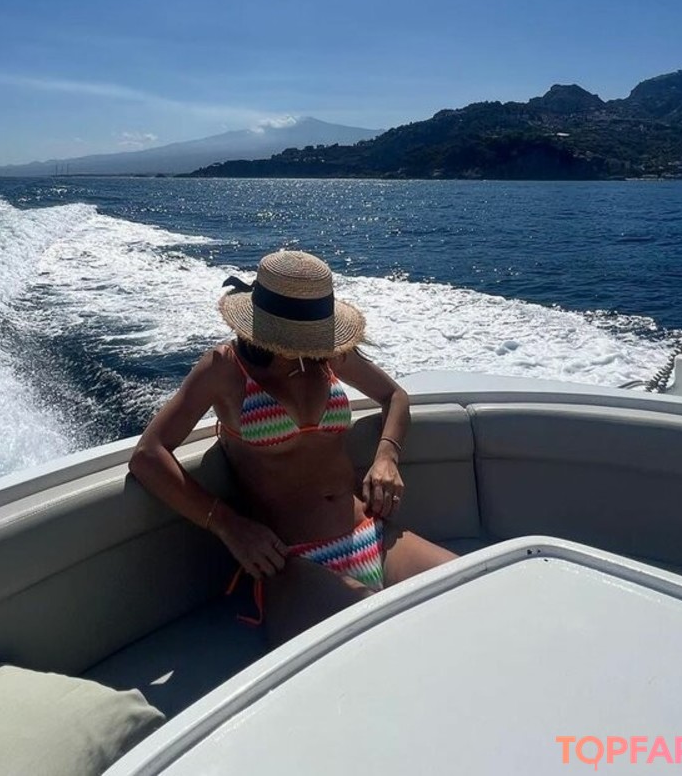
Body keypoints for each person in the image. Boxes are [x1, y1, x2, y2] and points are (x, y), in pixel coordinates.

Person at [129, 248, 457, 644]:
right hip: (291, 561)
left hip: (370, 532)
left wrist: (387, 457)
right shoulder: (224, 368)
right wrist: (229, 526)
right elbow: (148, 455)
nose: (306, 346)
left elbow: (395, 396)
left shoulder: (327, 354)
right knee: (384, 640)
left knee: (474, 595)